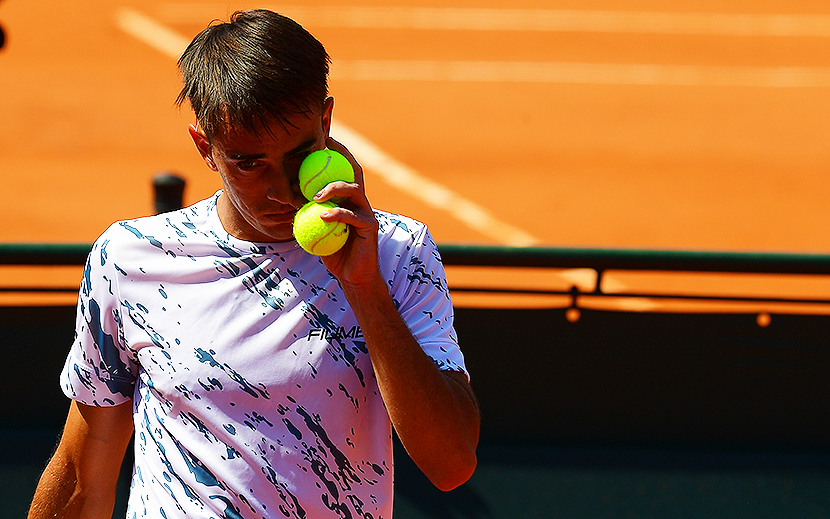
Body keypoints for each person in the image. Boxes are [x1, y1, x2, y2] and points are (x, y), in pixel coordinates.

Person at [27, 9, 479, 519]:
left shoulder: (397, 252)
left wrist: (365, 288)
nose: (280, 190)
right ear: (205, 148)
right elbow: (82, 477)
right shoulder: (131, 259)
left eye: (298, 156)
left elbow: (452, 463)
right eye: (248, 162)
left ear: (326, 123)